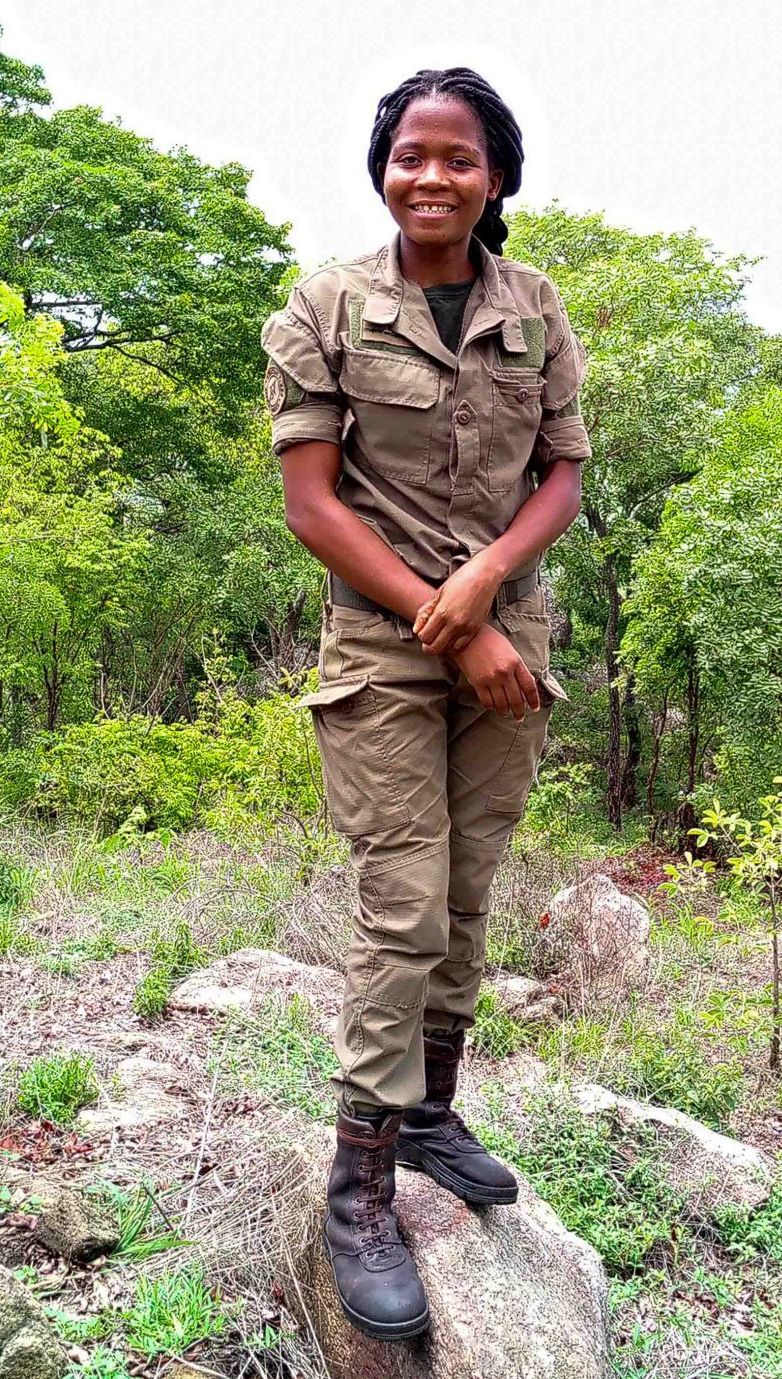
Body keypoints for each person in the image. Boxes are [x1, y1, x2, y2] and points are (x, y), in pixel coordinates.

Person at [260, 67, 592, 1343]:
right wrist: (442, 622)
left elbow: (559, 473)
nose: (432, 175)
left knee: (465, 894)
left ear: (495, 175)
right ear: (381, 167)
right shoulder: (328, 305)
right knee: (401, 901)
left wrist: (492, 588)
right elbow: (312, 505)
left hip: (505, 641)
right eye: (410, 154)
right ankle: (356, 1179)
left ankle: (431, 1110)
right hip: (386, 643)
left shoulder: (536, 305)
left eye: (458, 157)